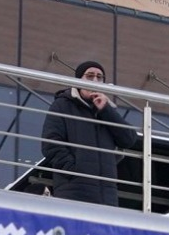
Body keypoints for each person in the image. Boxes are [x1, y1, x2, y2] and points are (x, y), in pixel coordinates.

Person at [41, 60, 138, 206]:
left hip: (106, 195)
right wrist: (73, 171)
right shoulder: (62, 105)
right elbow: (51, 144)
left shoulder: (106, 111)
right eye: (90, 76)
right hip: (73, 191)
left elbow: (129, 139)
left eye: (99, 77)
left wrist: (106, 110)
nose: (95, 81)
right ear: (79, 81)